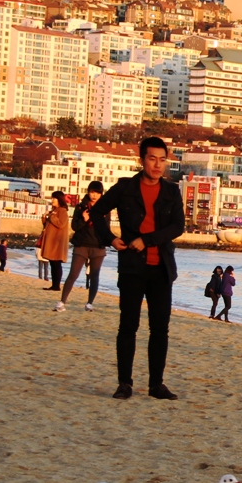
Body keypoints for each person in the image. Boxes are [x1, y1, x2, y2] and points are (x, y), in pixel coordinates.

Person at [88, 136, 185, 400]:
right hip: (132, 267)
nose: (157, 165)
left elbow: (178, 226)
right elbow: (97, 212)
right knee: (128, 326)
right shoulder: (125, 188)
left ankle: (156, 385)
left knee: (160, 329)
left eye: (162, 160)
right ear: (141, 160)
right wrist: (110, 239)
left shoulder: (171, 191)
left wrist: (148, 240)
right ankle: (124, 383)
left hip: (162, 268)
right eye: (152, 159)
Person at [57, 180, 112, 312]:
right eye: (92, 192)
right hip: (81, 245)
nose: (94, 195)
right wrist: (84, 220)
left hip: (98, 247)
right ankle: (62, 302)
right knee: (73, 274)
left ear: (101, 194)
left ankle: (89, 303)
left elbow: (106, 229)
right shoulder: (81, 207)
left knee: (94, 276)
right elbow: (74, 226)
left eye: (97, 193)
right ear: (88, 192)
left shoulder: (105, 209)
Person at [39, 191, 70, 291]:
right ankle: (54, 285)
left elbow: (61, 224)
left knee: (56, 263)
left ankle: (57, 285)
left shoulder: (62, 211)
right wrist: (44, 218)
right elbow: (47, 225)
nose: (52, 200)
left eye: (54, 198)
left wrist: (52, 216)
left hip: (57, 242)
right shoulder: (54, 210)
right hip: (52, 241)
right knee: (53, 263)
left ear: (59, 199)